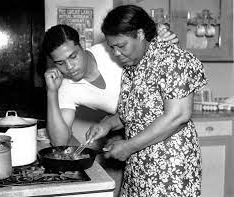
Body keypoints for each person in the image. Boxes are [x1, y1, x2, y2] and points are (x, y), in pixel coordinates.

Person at [42, 23, 178, 197]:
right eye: (60, 63)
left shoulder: (112, 50)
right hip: (128, 138)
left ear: (81, 45)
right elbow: (60, 141)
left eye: (73, 56)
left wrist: (160, 34)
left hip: (166, 131)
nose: (69, 67)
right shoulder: (66, 85)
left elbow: (146, 43)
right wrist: (52, 92)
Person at [86, 5, 208, 197]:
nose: (116, 53)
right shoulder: (131, 67)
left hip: (169, 170)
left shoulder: (173, 59)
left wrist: (129, 146)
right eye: (112, 47)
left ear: (141, 34)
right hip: (138, 168)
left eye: (121, 45)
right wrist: (107, 124)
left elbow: (178, 115)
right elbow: (134, 112)